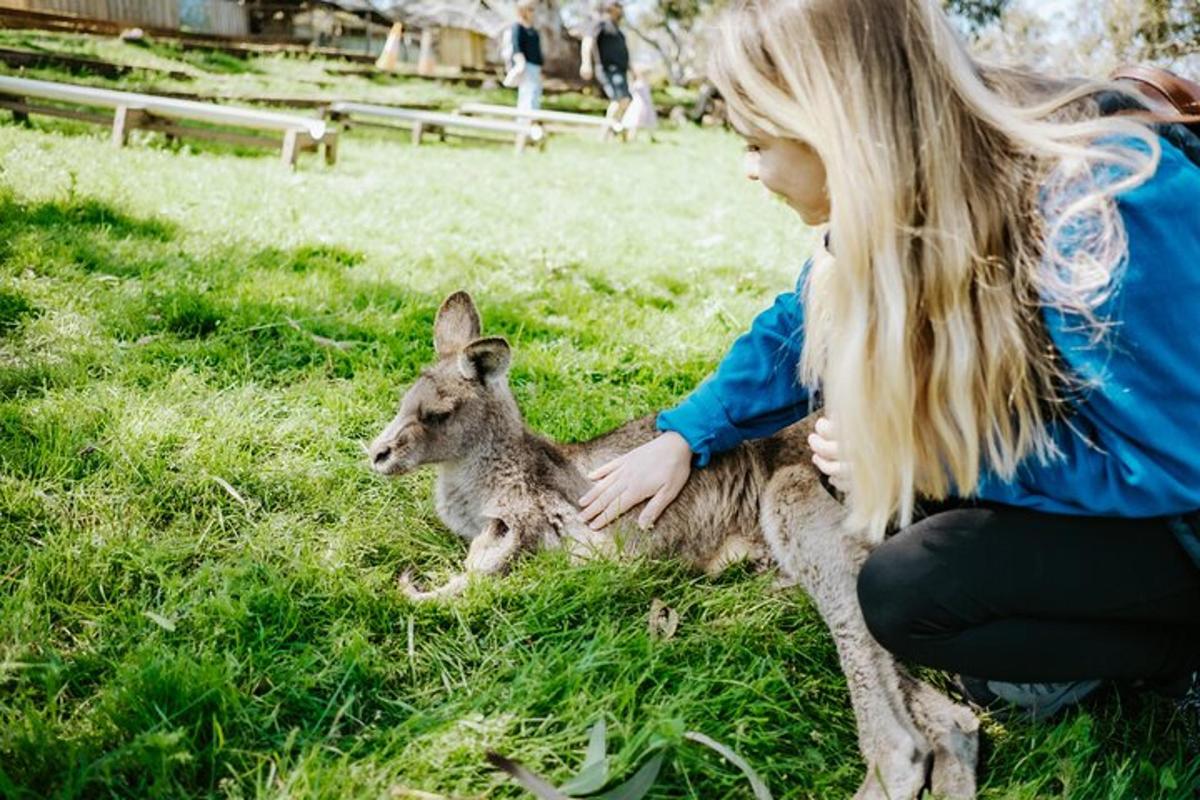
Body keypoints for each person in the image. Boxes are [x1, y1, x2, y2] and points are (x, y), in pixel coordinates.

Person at [578, 0, 1200, 728]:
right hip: (1117, 485)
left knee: (910, 591)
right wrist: (685, 434)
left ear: (833, 126)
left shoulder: (1096, 212)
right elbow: (806, 319)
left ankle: (1174, 652)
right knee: (898, 529)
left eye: (756, 142)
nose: (751, 172)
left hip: (1181, 508)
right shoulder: (914, 182)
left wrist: (941, 459)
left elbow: (1178, 460)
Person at [580, 0, 631, 132]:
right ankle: (606, 131)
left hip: (621, 71)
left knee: (624, 101)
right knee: (619, 98)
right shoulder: (600, 24)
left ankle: (613, 129)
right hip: (608, 69)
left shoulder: (618, 30)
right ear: (610, 7)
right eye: (618, 6)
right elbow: (587, 41)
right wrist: (586, 63)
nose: (621, 9)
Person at [508, 0, 544, 112]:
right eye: (530, 9)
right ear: (522, 11)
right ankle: (524, 123)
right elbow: (516, 47)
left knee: (535, 92)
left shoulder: (533, 29)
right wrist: (520, 64)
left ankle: (531, 121)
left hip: (535, 66)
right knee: (528, 93)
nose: (533, 12)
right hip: (526, 66)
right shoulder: (518, 27)